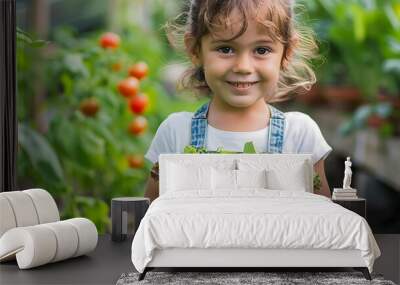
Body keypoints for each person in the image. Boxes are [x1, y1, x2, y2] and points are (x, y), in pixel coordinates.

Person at [144, 0, 332, 202]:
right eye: (225, 49)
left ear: (287, 52)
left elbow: (322, 219)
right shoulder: (176, 133)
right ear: (195, 50)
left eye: (261, 50)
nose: (243, 66)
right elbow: (153, 216)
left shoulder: (299, 134)